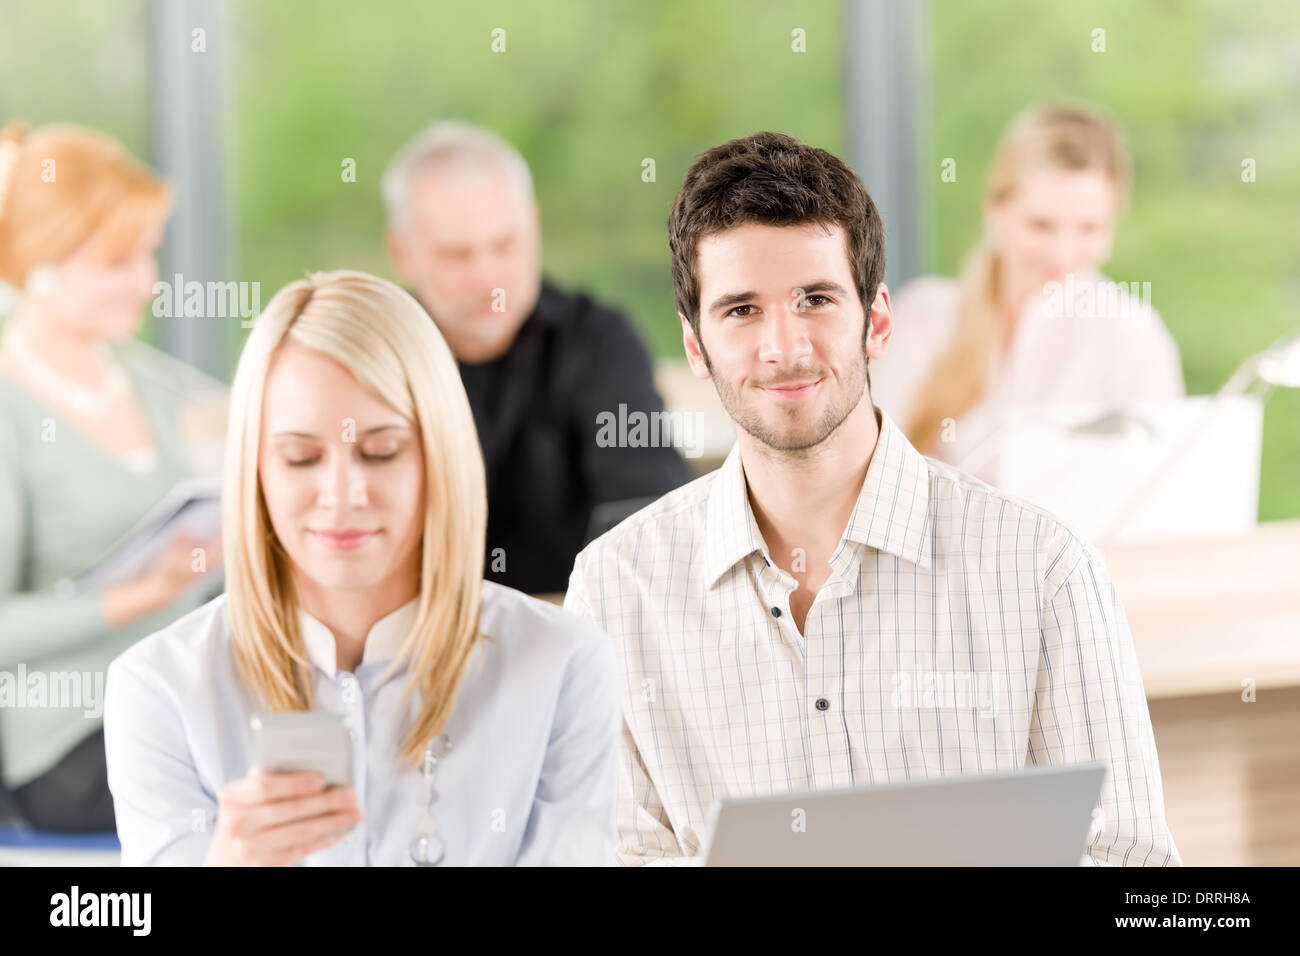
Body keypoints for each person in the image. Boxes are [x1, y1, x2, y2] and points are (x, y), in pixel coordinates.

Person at [564, 130, 1182, 867]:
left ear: (877, 321)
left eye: (816, 299)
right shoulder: (615, 590)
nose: (783, 347)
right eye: (740, 311)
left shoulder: (1045, 569)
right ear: (696, 347)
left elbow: (1137, 871)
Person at [103, 270, 619, 866]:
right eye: (300, 458)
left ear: (438, 456)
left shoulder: (562, 665)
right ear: (256, 472)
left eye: (381, 451)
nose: (342, 495)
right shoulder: (161, 686)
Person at [0, 122, 223, 830]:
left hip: (185, 700)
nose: (148, 283)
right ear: (41, 261)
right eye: (118, 261)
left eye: (148, 255)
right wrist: (134, 598)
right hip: (70, 742)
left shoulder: (151, 384)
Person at [383, 121, 690, 595]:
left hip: (575, 638)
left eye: (505, 245)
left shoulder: (599, 344)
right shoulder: (373, 358)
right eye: (457, 256)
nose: (489, 278)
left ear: (535, 226)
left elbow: (653, 524)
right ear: (402, 253)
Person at [872, 104, 1185, 482]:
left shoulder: (1133, 336)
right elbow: (872, 471)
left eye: (1088, 229)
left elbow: (1159, 493)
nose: (1062, 252)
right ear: (995, 210)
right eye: (1041, 225)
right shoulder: (924, 317)